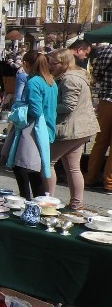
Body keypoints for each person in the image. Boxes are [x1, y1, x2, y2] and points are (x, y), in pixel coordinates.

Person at [44, 49, 99, 210]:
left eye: (53, 63)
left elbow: (68, 106)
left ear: (64, 63)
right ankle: (76, 204)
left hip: (71, 128)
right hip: (81, 127)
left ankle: (48, 201)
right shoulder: (77, 75)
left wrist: (47, 107)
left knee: (48, 163)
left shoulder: (70, 79)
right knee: (72, 167)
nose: (50, 67)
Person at [4, 50, 57, 200]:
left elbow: (35, 109)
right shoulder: (51, 81)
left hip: (34, 129)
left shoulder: (33, 81)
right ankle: (37, 201)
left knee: (22, 166)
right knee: (33, 169)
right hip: (47, 127)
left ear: (26, 64)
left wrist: (18, 113)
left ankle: (26, 200)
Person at [86, 43, 112, 194]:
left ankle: (91, 177)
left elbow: (96, 75)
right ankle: (109, 183)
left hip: (106, 99)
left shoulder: (105, 51)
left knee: (100, 141)